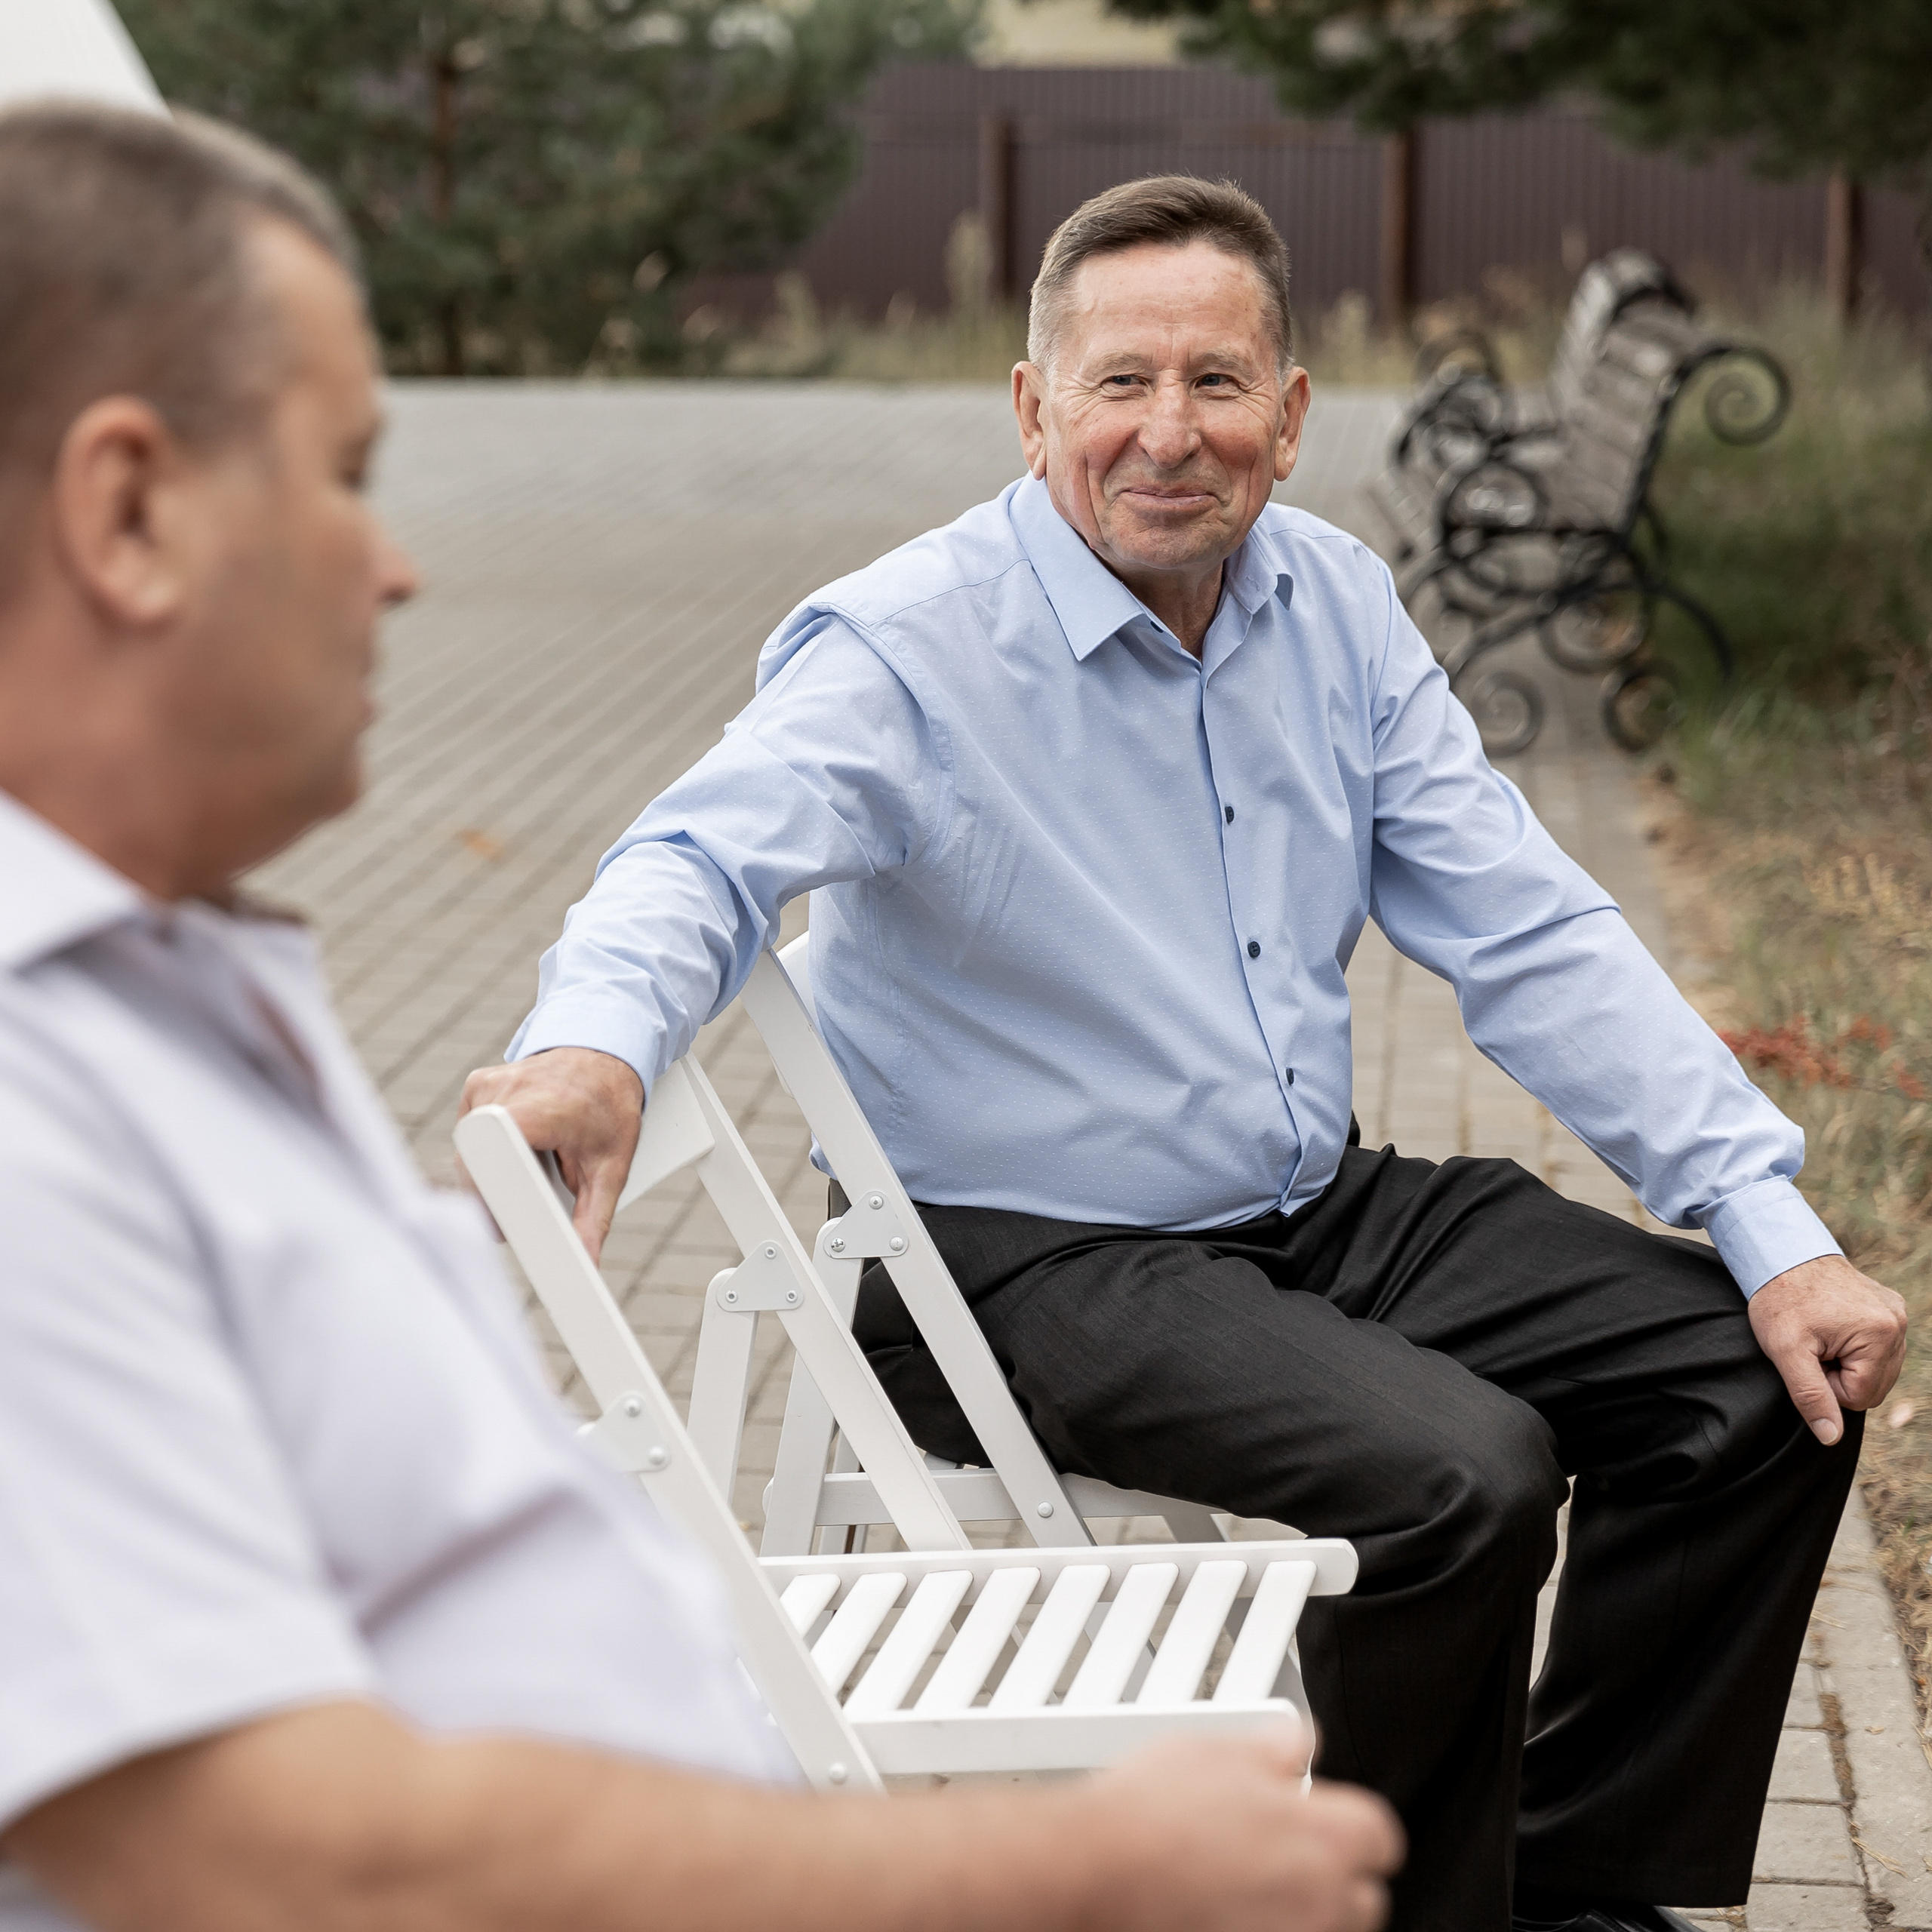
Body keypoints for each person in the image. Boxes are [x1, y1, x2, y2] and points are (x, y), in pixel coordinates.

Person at [0, 106, 1403, 1932]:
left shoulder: (163, 1005)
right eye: (342, 474)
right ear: (126, 512)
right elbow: (271, 1844)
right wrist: (1058, 1867)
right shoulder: (36, 1107)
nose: (397, 565)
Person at [466, 175, 1909, 1932]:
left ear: (1289, 419)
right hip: (1004, 1254)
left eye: (1217, 383)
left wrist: (1769, 1222)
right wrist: (596, 1047)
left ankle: (1563, 1888)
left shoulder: (1336, 607)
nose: (1168, 433)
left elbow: (1526, 927)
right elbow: (693, 859)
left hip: (1309, 1204)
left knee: (1755, 1380)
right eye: (1118, 383)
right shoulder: (905, 647)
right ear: (1031, 408)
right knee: (1461, 1472)